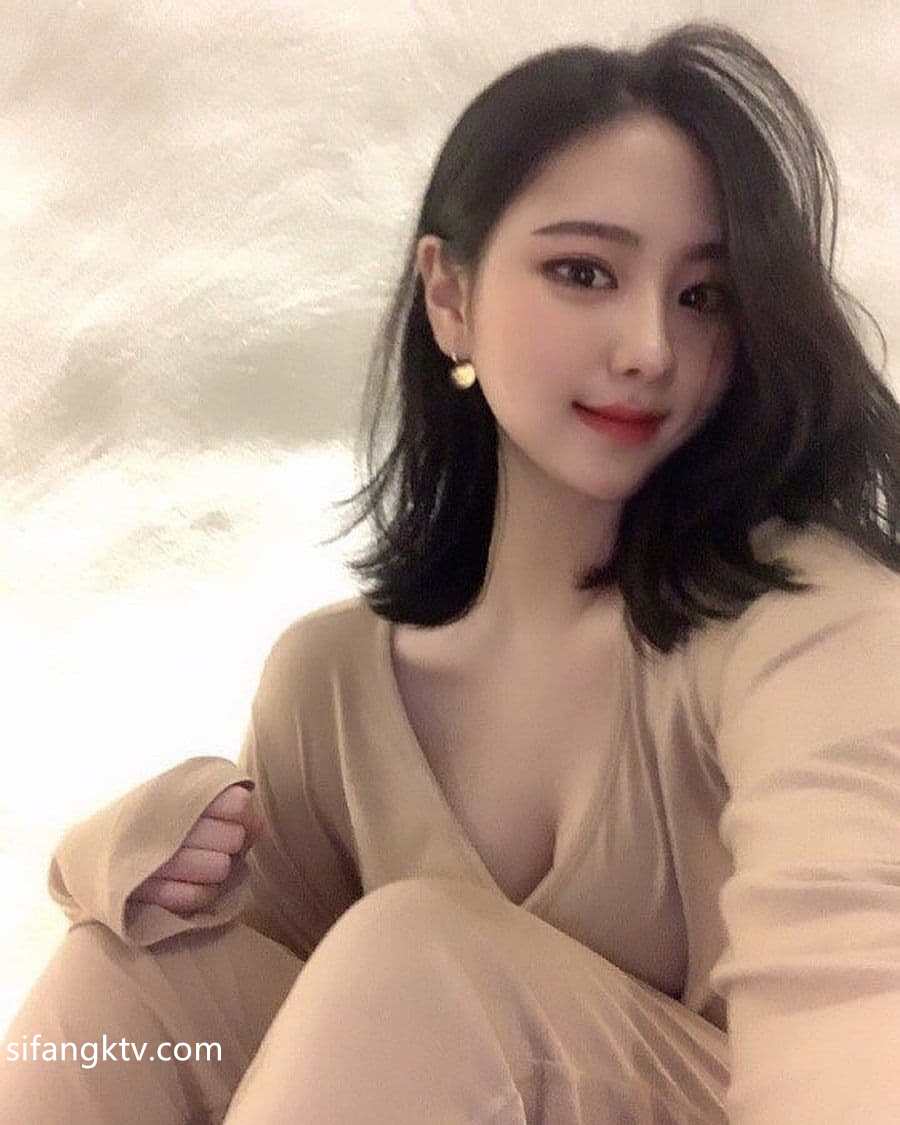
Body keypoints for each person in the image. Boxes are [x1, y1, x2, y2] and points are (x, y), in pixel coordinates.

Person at [2, 18, 899, 1125]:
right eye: (585, 272)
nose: (650, 349)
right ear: (451, 296)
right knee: (137, 978)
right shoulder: (330, 685)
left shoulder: (816, 622)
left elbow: (858, 997)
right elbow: (268, 1023)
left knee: (416, 958)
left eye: (703, 295)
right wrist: (120, 866)